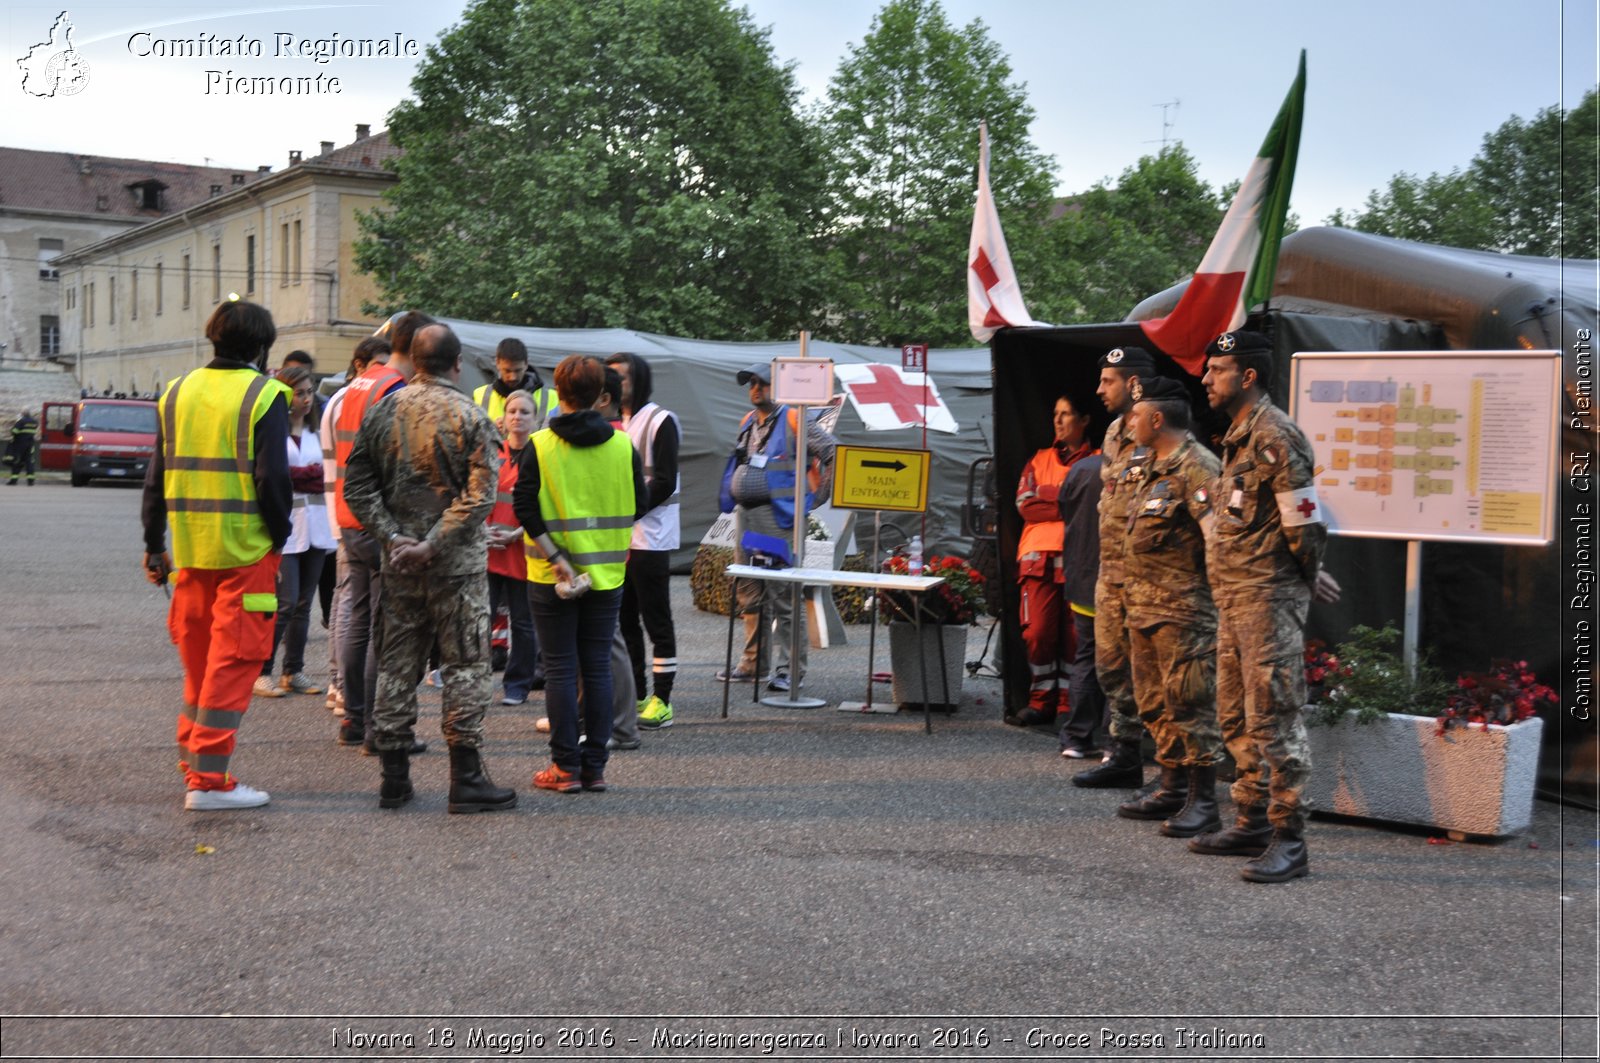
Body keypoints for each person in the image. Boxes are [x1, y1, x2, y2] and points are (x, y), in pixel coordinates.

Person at [342, 323, 516, 814]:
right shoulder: (471, 415)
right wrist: (435, 541)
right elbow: (479, 497)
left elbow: (356, 488)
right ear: (457, 364)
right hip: (456, 567)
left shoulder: (383, 410)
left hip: (399, 564)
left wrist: (395, 537)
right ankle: (466, 779)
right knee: (464, 665)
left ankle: (393, 780)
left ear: (415, 361)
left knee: (397, 664)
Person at [1194, 329, 1340, 883]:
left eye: (1217, 369)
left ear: (1247, 375)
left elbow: (1303, 520)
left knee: (1275, 717)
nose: (1207, 379)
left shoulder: (1277, 436)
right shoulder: (1237, 438)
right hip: (1233, 597)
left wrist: (1305, 576)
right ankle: (1251, 819)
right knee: (1235, 714)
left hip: (1267, 598)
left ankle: (1289, 837)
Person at [140, 300, 292, 811]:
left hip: (190, 551)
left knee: (201, 666)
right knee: (233, 665)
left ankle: (195, 765)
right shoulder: (265, 394)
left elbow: (156, 476)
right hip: (246, 550)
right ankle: (208, 782)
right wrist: (280, 533)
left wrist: (152, 544)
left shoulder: (177, 392)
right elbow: (274, 479)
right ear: (262, 346)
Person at [512, 355, 646, 794]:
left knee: (561, 670)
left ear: (558, 392)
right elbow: (641, 503)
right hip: (607, 575)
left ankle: (564, 768)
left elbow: (525, 507)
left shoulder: (540, 444)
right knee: (598, 668)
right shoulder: (623, 446)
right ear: (602, 395)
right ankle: (594, 767)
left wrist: (556, 556)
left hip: (553, 577)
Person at [1114, 376, 1226, 836]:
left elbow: (1217, 537)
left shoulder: (1199, 467)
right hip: (1143, 608)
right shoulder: (1149, 465)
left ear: (1157, 418)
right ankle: (1172, 786)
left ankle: (1203, 802)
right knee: (1155, 703)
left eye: (1136, 415)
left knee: (1191, 704)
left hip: (1183, 613)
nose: (1129, 422)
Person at [1073, 346, 1177, 790]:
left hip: (1154, 579)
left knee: (1158, 677)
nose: (1099, 390)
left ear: (1134, 384)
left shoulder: (1163, 433)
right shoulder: (1115, 432)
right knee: (1112, 667)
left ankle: (1175, 771)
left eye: (1108, 381)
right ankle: (1125, 754)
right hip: (1113, 572)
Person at [332, 311, 428, 753]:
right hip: (381, 522)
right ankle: (377, 727)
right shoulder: (394, 389)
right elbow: (400, 462)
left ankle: (353, 718)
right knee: (384, 628)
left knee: (358, 617)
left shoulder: (357, 383)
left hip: (350, 517)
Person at [716, 362, 836, 692]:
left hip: (779, 519)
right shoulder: (747, 422)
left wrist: (816, 498)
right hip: (748, 517)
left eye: (763, 383)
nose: (756, 388)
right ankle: (754, 664)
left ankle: (789, 671)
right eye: (752, 383)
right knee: (749, 590)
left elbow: (832, 452)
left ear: (779, 387)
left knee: (784, 595)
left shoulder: (796, 418)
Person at [1009, 394, 1097, 725]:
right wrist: (1072, 503)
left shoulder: (1102, 458)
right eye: (1055, 414)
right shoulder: (1039, 459)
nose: (1058, 421)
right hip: (1037, 559)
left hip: (1082, 558)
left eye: (1066, 414)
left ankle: (1067, 701)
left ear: (1085, 419)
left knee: (1077, 636)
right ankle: (1040, 699)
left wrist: (1051, 497)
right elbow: (1025, 506)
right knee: (1038, 632)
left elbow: (1097, 506)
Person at [606, 351, 681, 729]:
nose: (617, 383)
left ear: (639, 379)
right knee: (624, 621)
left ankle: (662, 699)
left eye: (623, 376)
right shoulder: (612, 423)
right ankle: (634, 692)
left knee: (656, 621)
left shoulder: (660, 420)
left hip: (650, 537)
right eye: (612, 376)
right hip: (620, 538)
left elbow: (665, 480)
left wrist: (630, 512)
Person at [319, 336, 390, 717]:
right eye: (378, 362)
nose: (384, 371)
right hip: (360, 516)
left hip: (344, 512)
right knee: (357, 605)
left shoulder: (340, 399)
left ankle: (341, 688)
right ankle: (348, 692)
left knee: (350, 603)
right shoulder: (360, 397)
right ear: (360, 364)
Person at [254, 365, 334, 698]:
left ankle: (294, 670)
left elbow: (326, 475)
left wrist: (302, 475)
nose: (305, 398)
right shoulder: (273, 433)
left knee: (304, 603)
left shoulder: (318, 432)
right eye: (298, 392)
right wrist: (305, 475)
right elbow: (277, 476)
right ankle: (262, 671)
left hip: (318, 527)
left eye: (309, 391)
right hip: (286, 529)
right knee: (284, 603)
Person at [485, 390, 544, 705]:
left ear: (535, 419)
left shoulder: (541, 455)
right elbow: (479, 496)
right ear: (504, 418)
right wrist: (482, 529)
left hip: (523, 552)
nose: (517, 417)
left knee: (523, 623)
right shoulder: (492, 454)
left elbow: (544, 505)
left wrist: (520, 533)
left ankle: (517, 685)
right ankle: (477, 685)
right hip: (489, 550)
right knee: (481, 619)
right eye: (512, 412)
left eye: (524, 412)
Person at [1055, 451, 1105, 759]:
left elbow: (1063, 509)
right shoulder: (1139, 470)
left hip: (1081, 578)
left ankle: (1077, 737)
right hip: (1117, 584)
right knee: (1120, 665)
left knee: (1086, 657)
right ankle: (1116, 744)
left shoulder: (1080, 470)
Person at [474, 337, 558, 428]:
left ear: (526, 364)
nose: (513, 377)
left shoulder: (552, 397)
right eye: (507, 371)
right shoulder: (480, 395)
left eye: (518, 371)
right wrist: (493, 432)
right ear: (497, 363)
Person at [6, 409, 38, 485]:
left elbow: (14, 431)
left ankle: (14, 480)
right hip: (30, 444)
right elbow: (34, 432)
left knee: (17, 461)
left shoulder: (21, 421)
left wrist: (12, 429)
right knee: (29, 462)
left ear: (23, 414)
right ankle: (31, 481)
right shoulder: (35, 422)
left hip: (20, 444)